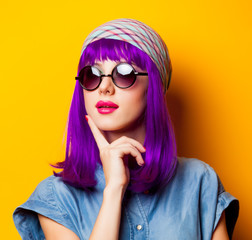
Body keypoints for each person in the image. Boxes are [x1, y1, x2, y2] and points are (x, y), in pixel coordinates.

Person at [13, 18, 239, 240]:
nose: (104, 88)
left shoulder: (200, 181)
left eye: (123, 73)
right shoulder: (55, 196)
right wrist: (113, 190)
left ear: (155, 88)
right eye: (92, 75)